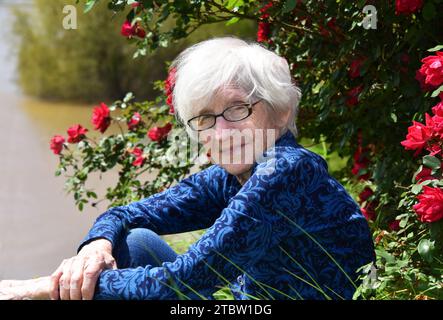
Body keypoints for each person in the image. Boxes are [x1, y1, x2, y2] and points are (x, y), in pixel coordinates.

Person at [0, 36, 375, 300]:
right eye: (205, 118)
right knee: (133, 240)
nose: (221, 132)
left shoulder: (287, 170)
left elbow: (186, 283)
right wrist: (93, 249)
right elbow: (128, 214)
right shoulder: (235, 174)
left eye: (236, 110)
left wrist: (44, 287)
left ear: (280, 111)